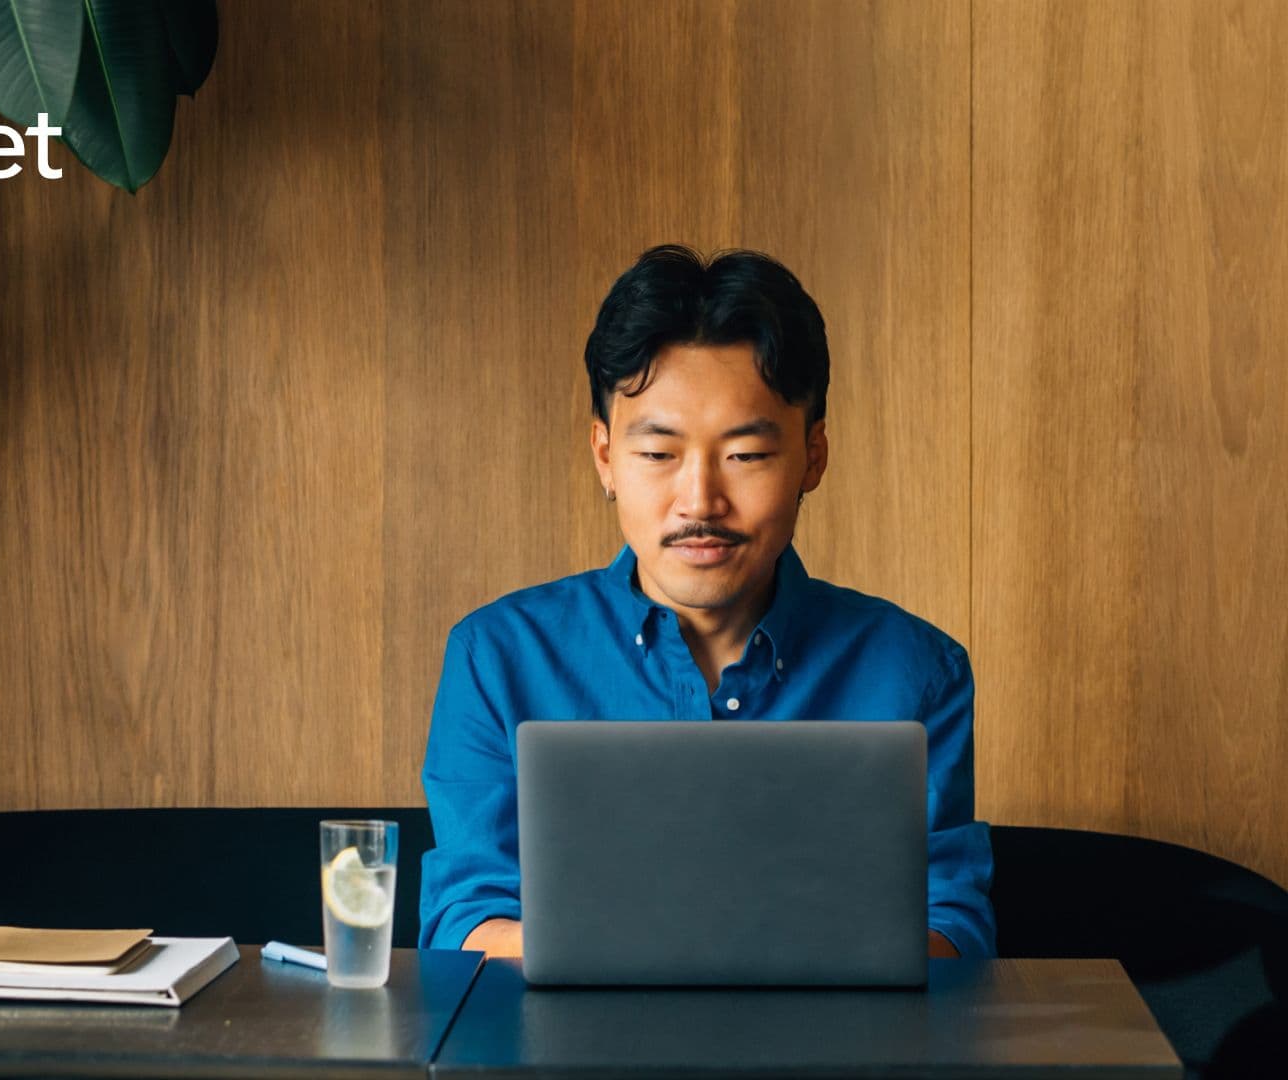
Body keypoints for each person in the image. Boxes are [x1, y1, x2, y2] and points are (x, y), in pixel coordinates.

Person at [417, 244, 995, 961]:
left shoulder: (916, 672)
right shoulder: (498, 658)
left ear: (812, 457)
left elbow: (952, 928)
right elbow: (465, 923)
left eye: (745, 455)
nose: (700, 501)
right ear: (605, 458)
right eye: (658, 455)